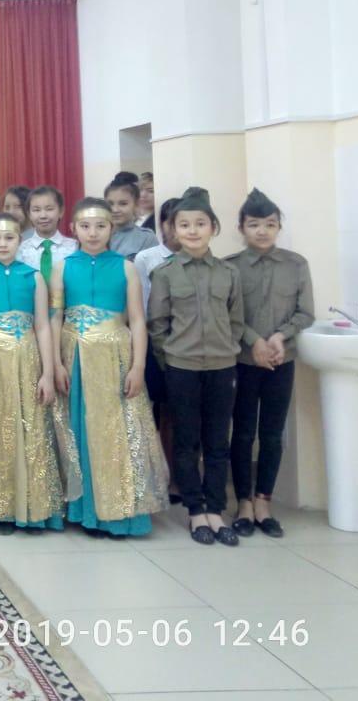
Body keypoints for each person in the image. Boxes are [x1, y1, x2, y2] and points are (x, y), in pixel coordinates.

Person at [50, 201, 168, 537]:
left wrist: (138, 366)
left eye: (100, 226)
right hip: (74, 357)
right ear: (73, 228)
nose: (93, 233)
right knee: (79, 430)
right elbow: (55, 317)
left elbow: (138, 320)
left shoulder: (126, 268)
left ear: (111, 229)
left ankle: (117, 510)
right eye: (85, 226)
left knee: (116, 433)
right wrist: (56, 363)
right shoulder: (61, 267)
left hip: (115, 358)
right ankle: (83, 509)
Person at [0, 214, 78, 533]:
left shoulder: (34, 277)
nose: (2, 244)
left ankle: (34, 507)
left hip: (28, 360)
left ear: (19, 241)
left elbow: (42, 326)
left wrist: (47, 373)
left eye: (9, 238)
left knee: (31, 427)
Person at [148, 187, 244, 547]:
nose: (192, 231)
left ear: (213, 228)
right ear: (173, 229)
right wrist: (171, 360)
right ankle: (195, 510)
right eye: (184, 224)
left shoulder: (229, 272)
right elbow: (157, 325)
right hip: (181, 367)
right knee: (186, 441)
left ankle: (216, 509)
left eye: (200, 224)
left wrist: (227, 351)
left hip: (222, 365)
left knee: (218, 440)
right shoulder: (165, 273)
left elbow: (236, 321)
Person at [226, 188, 314, 539]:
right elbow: (227, 315)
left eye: (270, 224)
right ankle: (243, 503)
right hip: (243, 361)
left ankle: (264, 502)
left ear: (279, 227)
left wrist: (279, 337)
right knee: (242, 432)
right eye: (253, 224)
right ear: (241, 228)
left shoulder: (296, 264)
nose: (262, 231)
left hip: (281, 359)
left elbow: (305, 313)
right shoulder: (230, 266)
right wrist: (255, 341)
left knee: (273, 434)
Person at [134, 195, 181, 491]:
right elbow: (141, 304)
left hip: (188, 344)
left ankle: (178, 477)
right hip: (154, 341)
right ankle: (155, 477)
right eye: (172, 223)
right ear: (162, 225)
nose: (179, 230)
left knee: (179, 413)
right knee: (154, 411)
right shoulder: (146, 259)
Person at [18, 186, 77, 283]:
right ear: (29, 214)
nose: (43, 216)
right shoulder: (20, 250)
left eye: (49, 209)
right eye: (36, 210)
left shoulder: (74, 247)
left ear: (61, 211)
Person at [106, 173, 157, 259]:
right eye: (110, 204)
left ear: (136, 204)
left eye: (123, 204)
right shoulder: (95, 234)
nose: (115, 210)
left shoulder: (146, 237)